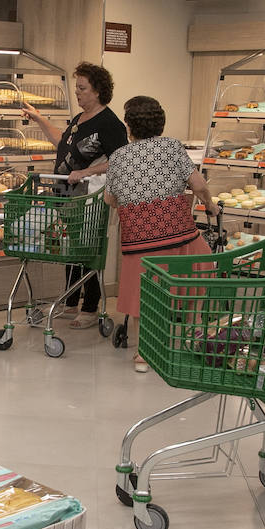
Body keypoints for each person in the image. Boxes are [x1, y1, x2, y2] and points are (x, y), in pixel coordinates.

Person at [104, 96, 214, 372]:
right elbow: (198, 184)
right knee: (203, 263)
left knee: (144, 289)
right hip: (177, 233)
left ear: (129, 126)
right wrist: (210, 205)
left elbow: (109, 199)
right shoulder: (172, 146)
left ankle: (144, 353)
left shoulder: (118, 156)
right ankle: (192, 331)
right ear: (160, 122)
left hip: (138, 239)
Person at [22, 61, 127, 329]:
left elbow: (120, 160)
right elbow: (64, 143)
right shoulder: (80, 119)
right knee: (70, 247)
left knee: (88, 248)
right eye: (76, 88)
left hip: (89, 196)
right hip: (67, 193)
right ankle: (70, 300)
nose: (77, 93)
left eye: (82, 88)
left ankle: (90, 307)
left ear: (98, 91)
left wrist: (87, 172)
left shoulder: (109, 123)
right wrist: (40, 118)